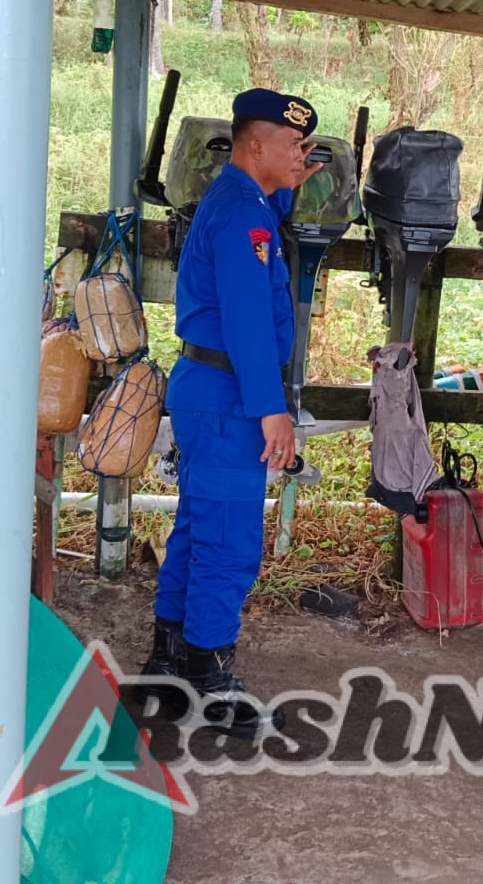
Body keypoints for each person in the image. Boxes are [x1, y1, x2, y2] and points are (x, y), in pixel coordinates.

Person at [143, 87, 322, 739]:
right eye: (294, 145)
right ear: (256, 146)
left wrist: (288, 186)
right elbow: (248, 321)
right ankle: (210, 678)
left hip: (211, 387)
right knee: (230, 540)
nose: (303, 154)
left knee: (198, 525)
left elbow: (263, 219)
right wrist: (272, 412)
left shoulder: (241, 200)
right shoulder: (243, 218)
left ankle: (170, 659)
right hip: (230, 396)